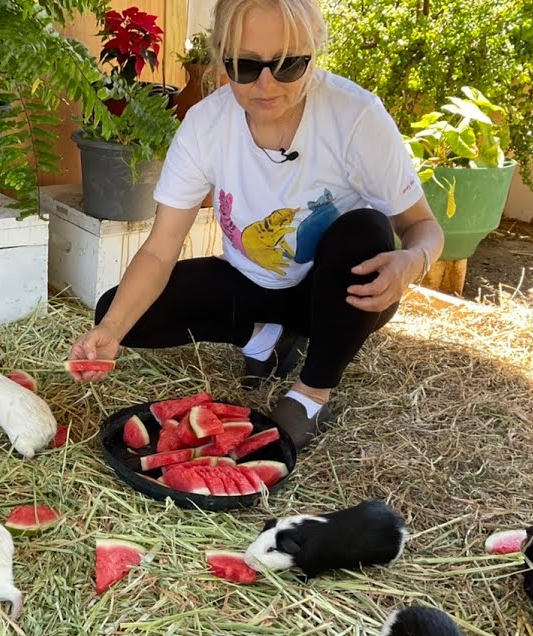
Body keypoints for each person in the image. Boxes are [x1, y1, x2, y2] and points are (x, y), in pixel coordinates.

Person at [67, 0, 444, 450]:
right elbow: (159, 249)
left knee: (365, 230)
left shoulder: (356, 116)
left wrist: (413, 261)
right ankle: (267, 336)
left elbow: (423, 225)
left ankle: (312, 390)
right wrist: (109, 333)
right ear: (222, 59)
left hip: (333, 295)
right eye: (245, 65)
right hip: (249, 285)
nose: (266, 84)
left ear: (314, 54)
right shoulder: (205, 124)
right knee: (118, 310)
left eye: (289, 65)